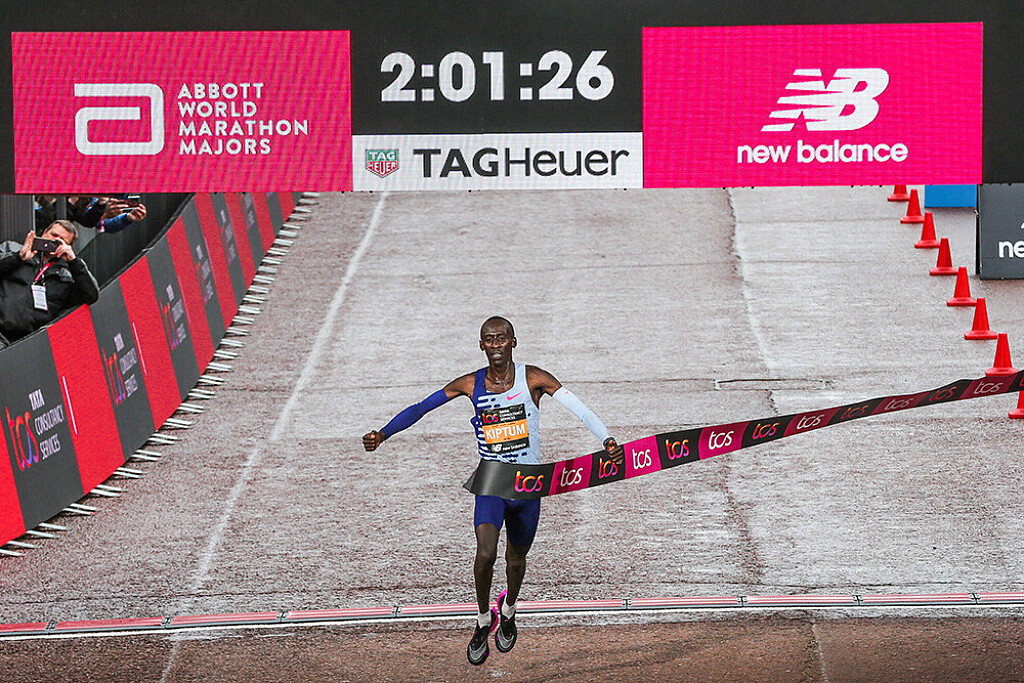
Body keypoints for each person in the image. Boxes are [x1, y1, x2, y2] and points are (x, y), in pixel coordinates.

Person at [363, 316, 624, 666]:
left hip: (528, 485)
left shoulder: (534, 378)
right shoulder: (469, 384)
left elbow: (580, 409)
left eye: (502, 338)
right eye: (490, 339)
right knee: (485, 554)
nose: (496, 344)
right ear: (481, 345)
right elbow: (421, 408)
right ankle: (483, 619)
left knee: (516, 560)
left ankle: (510, 610)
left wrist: (606, 438)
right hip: (491, 483)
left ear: (513, 342)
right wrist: (383, 433)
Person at [0, 220, 99, 349]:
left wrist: (74, 262)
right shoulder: (12, 248)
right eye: (53, 235)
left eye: (62, 240)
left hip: (29, 342)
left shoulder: (66, 276)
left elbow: (91, 295)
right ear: (45, 233)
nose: (55, 241)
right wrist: (18, 258)